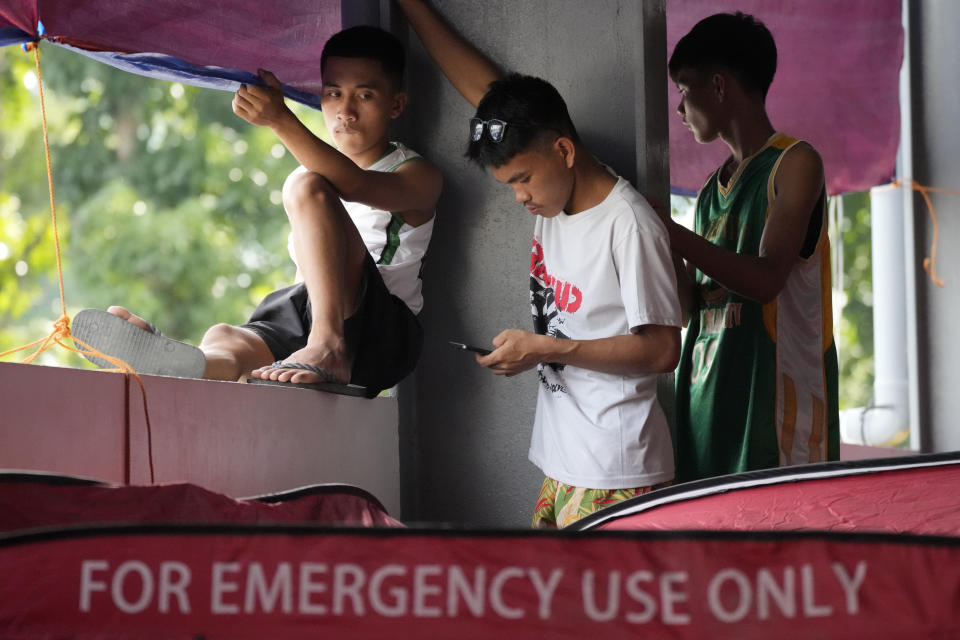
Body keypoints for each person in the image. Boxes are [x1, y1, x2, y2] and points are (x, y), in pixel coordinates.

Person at [396, 0, 682, 528]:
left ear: (565, 150)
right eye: (509, 185)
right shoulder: (550, 177)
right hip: (563, 460)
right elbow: (491, 99)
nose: (519, 198)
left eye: (523, 179)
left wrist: (548, 349)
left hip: (616, 470)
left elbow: (665, 349)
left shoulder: (628, 224)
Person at [73, 25, 443, 398]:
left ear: (395, 104)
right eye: (333, 93)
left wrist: (281, 120)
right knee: (225, 339)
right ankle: (186, 364)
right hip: (308, 310)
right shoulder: (308, 176)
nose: (345, 111)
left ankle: (329, 345)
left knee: (307, 185)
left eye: (364, 95)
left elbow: (356, 184)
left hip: (382, 333)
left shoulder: (415, 174)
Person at [663, 12, 840, 480]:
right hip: (706, 415)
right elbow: (690, 312)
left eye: (684, 89)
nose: (679, 109)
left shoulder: (796, 163)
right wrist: (654, 240)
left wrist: (670, 232)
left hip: (773, 422)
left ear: (718, 86)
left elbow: (764, 281)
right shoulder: (706, 192)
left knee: (777, 552)